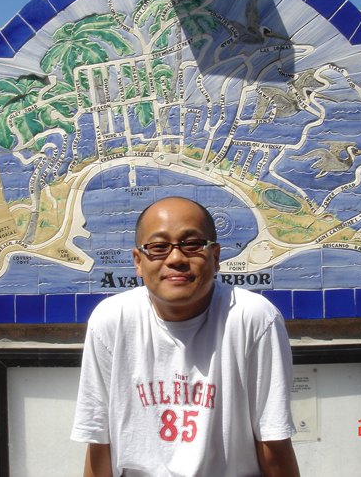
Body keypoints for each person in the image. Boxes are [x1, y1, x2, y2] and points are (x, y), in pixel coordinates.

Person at [71, 196, 299, 477]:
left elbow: (273, 440)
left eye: (192, 245)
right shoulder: (110, 321)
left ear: (215, 257)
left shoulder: (254, 318)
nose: (176, 258)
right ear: (138, 261)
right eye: (158, 247)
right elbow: (99, 443)